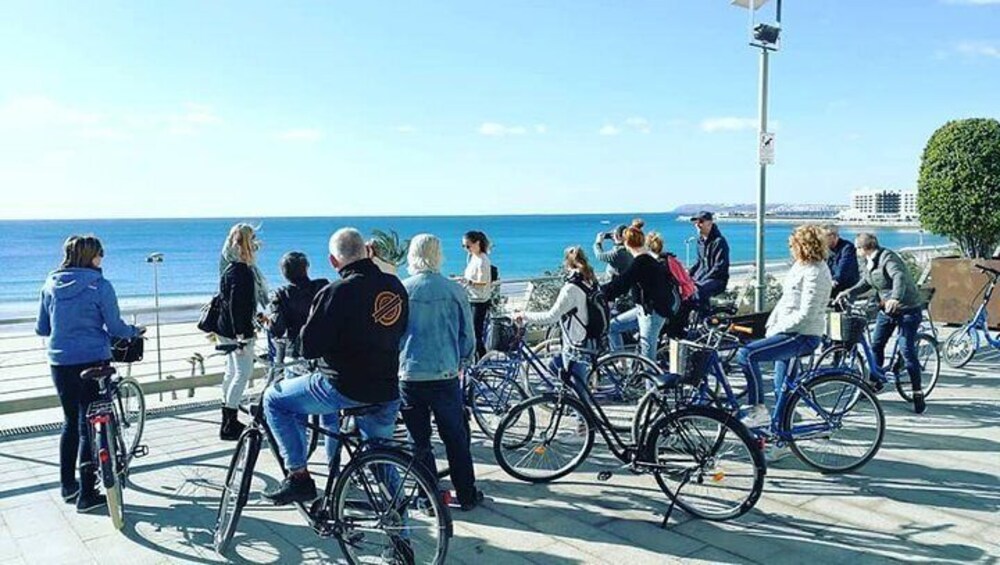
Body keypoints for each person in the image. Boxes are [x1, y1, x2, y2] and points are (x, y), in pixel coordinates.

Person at [261, 228, 409, 504]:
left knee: (274, 400)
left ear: (333, 261)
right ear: (366, 251)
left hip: (343, 386)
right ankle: (400, 535)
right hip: (387, 386)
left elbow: (309, 347)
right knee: (382, 461)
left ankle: (299, 477)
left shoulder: (336, 292)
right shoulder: (395, 286)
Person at [35, 235, 145, 513]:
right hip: (94, 361)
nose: (102, 259)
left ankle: (67, 486)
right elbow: (116, 327)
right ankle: (87, 494)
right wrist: (134, 332)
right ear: (91, 256)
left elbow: (43, 328)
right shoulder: (100, 286)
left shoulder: (50, 284)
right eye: (100, 254)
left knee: (71, 422)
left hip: (60, 363)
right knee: (92, 421)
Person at [398, 234, 484, 511]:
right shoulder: (454, 290)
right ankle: (467, 494)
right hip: (446, 374)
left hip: (409, 375)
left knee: (418, 441)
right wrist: (463, 361)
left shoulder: (402, 289)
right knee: (455, 438)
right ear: (439, 255)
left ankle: (428, 496)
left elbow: (393, 335)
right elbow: (467, 335)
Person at [736, 225, 833, 432]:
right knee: (783, 389)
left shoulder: (815, 272)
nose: (790, 249)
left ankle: (757, 409)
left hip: (801, 335)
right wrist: (772, 324)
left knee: (746, 355)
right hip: (789, 331)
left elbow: (806, 312)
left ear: (804, 245)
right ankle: (780, 435)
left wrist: (777, 328)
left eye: (792, 245)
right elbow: (787, 301)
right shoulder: (802, 266)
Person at [837, 233, 926, 414]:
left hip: (908, 309)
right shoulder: (869, 262)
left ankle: (917, 392)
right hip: (887, 309)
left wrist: (895, 298)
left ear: (864, 248)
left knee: (907, 349)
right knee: (876, 344)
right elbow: (866, 282)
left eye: (857, 248)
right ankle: (874, 382)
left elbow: (899, 277)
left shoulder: (888, 258)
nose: (856, 251)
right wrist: (848, 292)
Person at [514, 246, 599, 394]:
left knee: (580, 394)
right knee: (556, 366)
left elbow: (551, 317)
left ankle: (582, 414)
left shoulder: (571, 288)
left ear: (567, 263)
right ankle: (572, 402)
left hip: (576, 342)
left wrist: (525, 315)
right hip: (589, 335)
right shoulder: (590, 279)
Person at [216, 223, 269, 441]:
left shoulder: (229, 267)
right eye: (254, 242)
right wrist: (242, 337)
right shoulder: (242, 271)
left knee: (231, 372)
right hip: (237, 332)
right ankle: (230, 422)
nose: (257, 246)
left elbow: (234, 304)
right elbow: (238, 306)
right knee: (242, 373)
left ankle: (228, 420)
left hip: (224, 327)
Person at [602, 221, 675, 361]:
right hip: (643, 309)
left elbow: (623, 283)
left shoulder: (641, 262)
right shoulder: (647, 258)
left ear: (627, 244)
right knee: (613, 327)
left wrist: (601, 292)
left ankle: (651, 381)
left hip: (652, 313)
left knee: (647, 357)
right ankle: (622, 365)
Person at [266, 251, 328, 361]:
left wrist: (270, 320)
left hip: (297, 351)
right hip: (324, 349)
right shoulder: (323, 286)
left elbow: (277, 330)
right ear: (306, 268)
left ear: (284, 273)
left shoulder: (281, 295)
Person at [688, 211, 731, 313]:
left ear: (710, 223)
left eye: (701, 222)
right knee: (685, 289)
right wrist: (687, 275)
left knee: (698, 290)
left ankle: (704, 319)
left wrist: (701, 281)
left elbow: (719, 267)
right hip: (702, 277)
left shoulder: (719, 241)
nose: (697, 225)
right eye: (696, 222)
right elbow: (699, 262)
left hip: (717, 279)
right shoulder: (700, 241)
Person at [460, 230, 493, 359]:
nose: (466, 249)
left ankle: (482, 359)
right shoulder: (473, 257)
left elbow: (483, 282)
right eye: (463, 246)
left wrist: (469, 282)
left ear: (477, 243)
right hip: (471, 297)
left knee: (475, 333)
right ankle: (477, 358)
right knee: (471, 331)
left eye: (468, 246)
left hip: (479, 301)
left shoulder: (482, 261)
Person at [824, 225, 860, 298]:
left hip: (846, 284)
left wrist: (834, 279)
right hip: (830, 282)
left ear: (833, 236)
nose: (822, 240)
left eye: (824, 237)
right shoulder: (825, 249)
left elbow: (843, 267)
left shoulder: (847, 248)